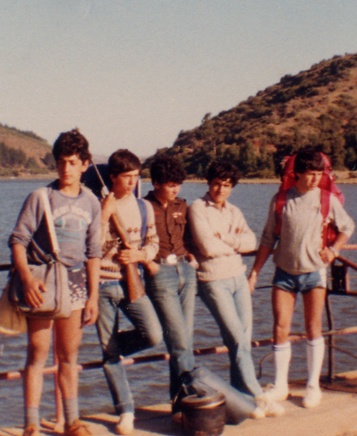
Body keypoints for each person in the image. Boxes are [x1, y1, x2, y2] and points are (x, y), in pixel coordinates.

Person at [9, 129, 102, 436]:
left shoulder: (92, 203)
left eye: (73, 162)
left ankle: (72, 421)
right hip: (43, 286)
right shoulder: (40, 197)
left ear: (85, 164)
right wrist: (26, 279)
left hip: (75, 288)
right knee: (36, 354)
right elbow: (18, 242)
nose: (66, 169)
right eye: (62, 162)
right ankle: (31, 424)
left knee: (68, 356)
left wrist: (93, 298)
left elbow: (93, 253)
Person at [248, 149, 355, 409]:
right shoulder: (281, 200)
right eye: (310, 174)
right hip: (283, 273)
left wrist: (334, 250)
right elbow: (267, 239)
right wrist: (254, 273)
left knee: (312, 328)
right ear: (297, 174)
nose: (315, 179)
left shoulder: (328, 199)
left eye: (319, 174)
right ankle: (281, 386)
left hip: (314, 273)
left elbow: (347, 227)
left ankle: (312, 386)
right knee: (280, 328)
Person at [188, 161, 284, 419]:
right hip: (213, 279)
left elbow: (251, 241)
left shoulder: (234, 211)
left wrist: (226, 239)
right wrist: (232, 243)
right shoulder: (197, 208)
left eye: (227, 185)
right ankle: (259, 397)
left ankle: (241, 401)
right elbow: (207, 247)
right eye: (217, 183)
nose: (221, 189)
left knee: (243, 339)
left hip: (238, 278)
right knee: (237, 339)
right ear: (209, 183)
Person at [96, 149, 163, 435]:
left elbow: (153, 243)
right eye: (127, 178)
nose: (133, 183)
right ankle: (126, 410)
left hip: (131, 281)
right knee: (109, 355)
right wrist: (103, 216)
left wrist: (138, 256)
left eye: (137, 177)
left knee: (153, 335)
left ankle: (112, 351)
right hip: (101, 285)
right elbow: (89, 249)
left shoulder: (144, 207)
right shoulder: (98, 206)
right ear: (113, 177)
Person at [143, 155, 197, 413]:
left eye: (178, 184)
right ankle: (192, 400)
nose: (175, 189)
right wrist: (149, 265)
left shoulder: (182, 205)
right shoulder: (142, 207)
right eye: (170, 184)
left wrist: (192, 256)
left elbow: (187, 236)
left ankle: (179, 404)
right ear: (155, 183)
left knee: (185, 338)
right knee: (179, 342)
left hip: (186, 271)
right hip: (160, 273)